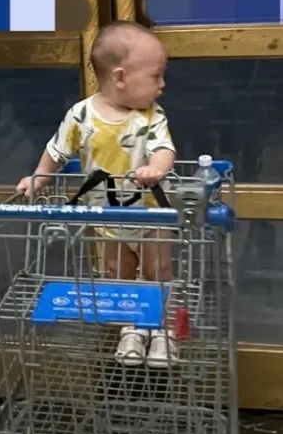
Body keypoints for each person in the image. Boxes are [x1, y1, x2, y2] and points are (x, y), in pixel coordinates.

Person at [17, 21, 177, 367]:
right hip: (106, 218)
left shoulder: (151, 116)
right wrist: (39, 178)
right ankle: (132, 329)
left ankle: (162, 331)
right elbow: (56, 150)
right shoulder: (81, 115)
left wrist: (157, 168)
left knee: (158, 269)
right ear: (120, 77)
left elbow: (165, 149)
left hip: (151, 214)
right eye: (156, 76)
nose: (162, 84)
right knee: (118, 273)